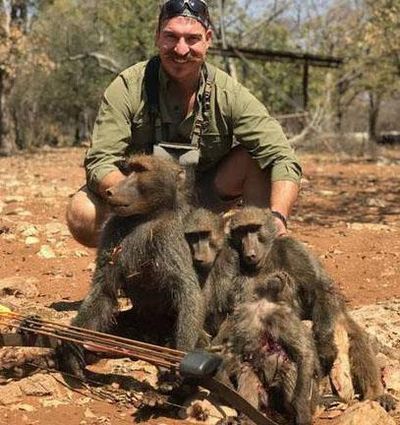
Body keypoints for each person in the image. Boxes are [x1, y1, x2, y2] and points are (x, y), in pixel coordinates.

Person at [66, 0, 302, 248]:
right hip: (141, 199)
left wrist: (277, 216)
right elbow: (100, 161)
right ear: (157, 36)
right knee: (83, 214)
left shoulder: (229, 94)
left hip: (202, 198)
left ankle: (248, 256)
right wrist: (147, 197)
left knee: (256, 160)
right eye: (171, 37)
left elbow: (283, 156)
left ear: (208, 39)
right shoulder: (128, 86)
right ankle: (135, 263)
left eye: (192, 39)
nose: (180, 49)